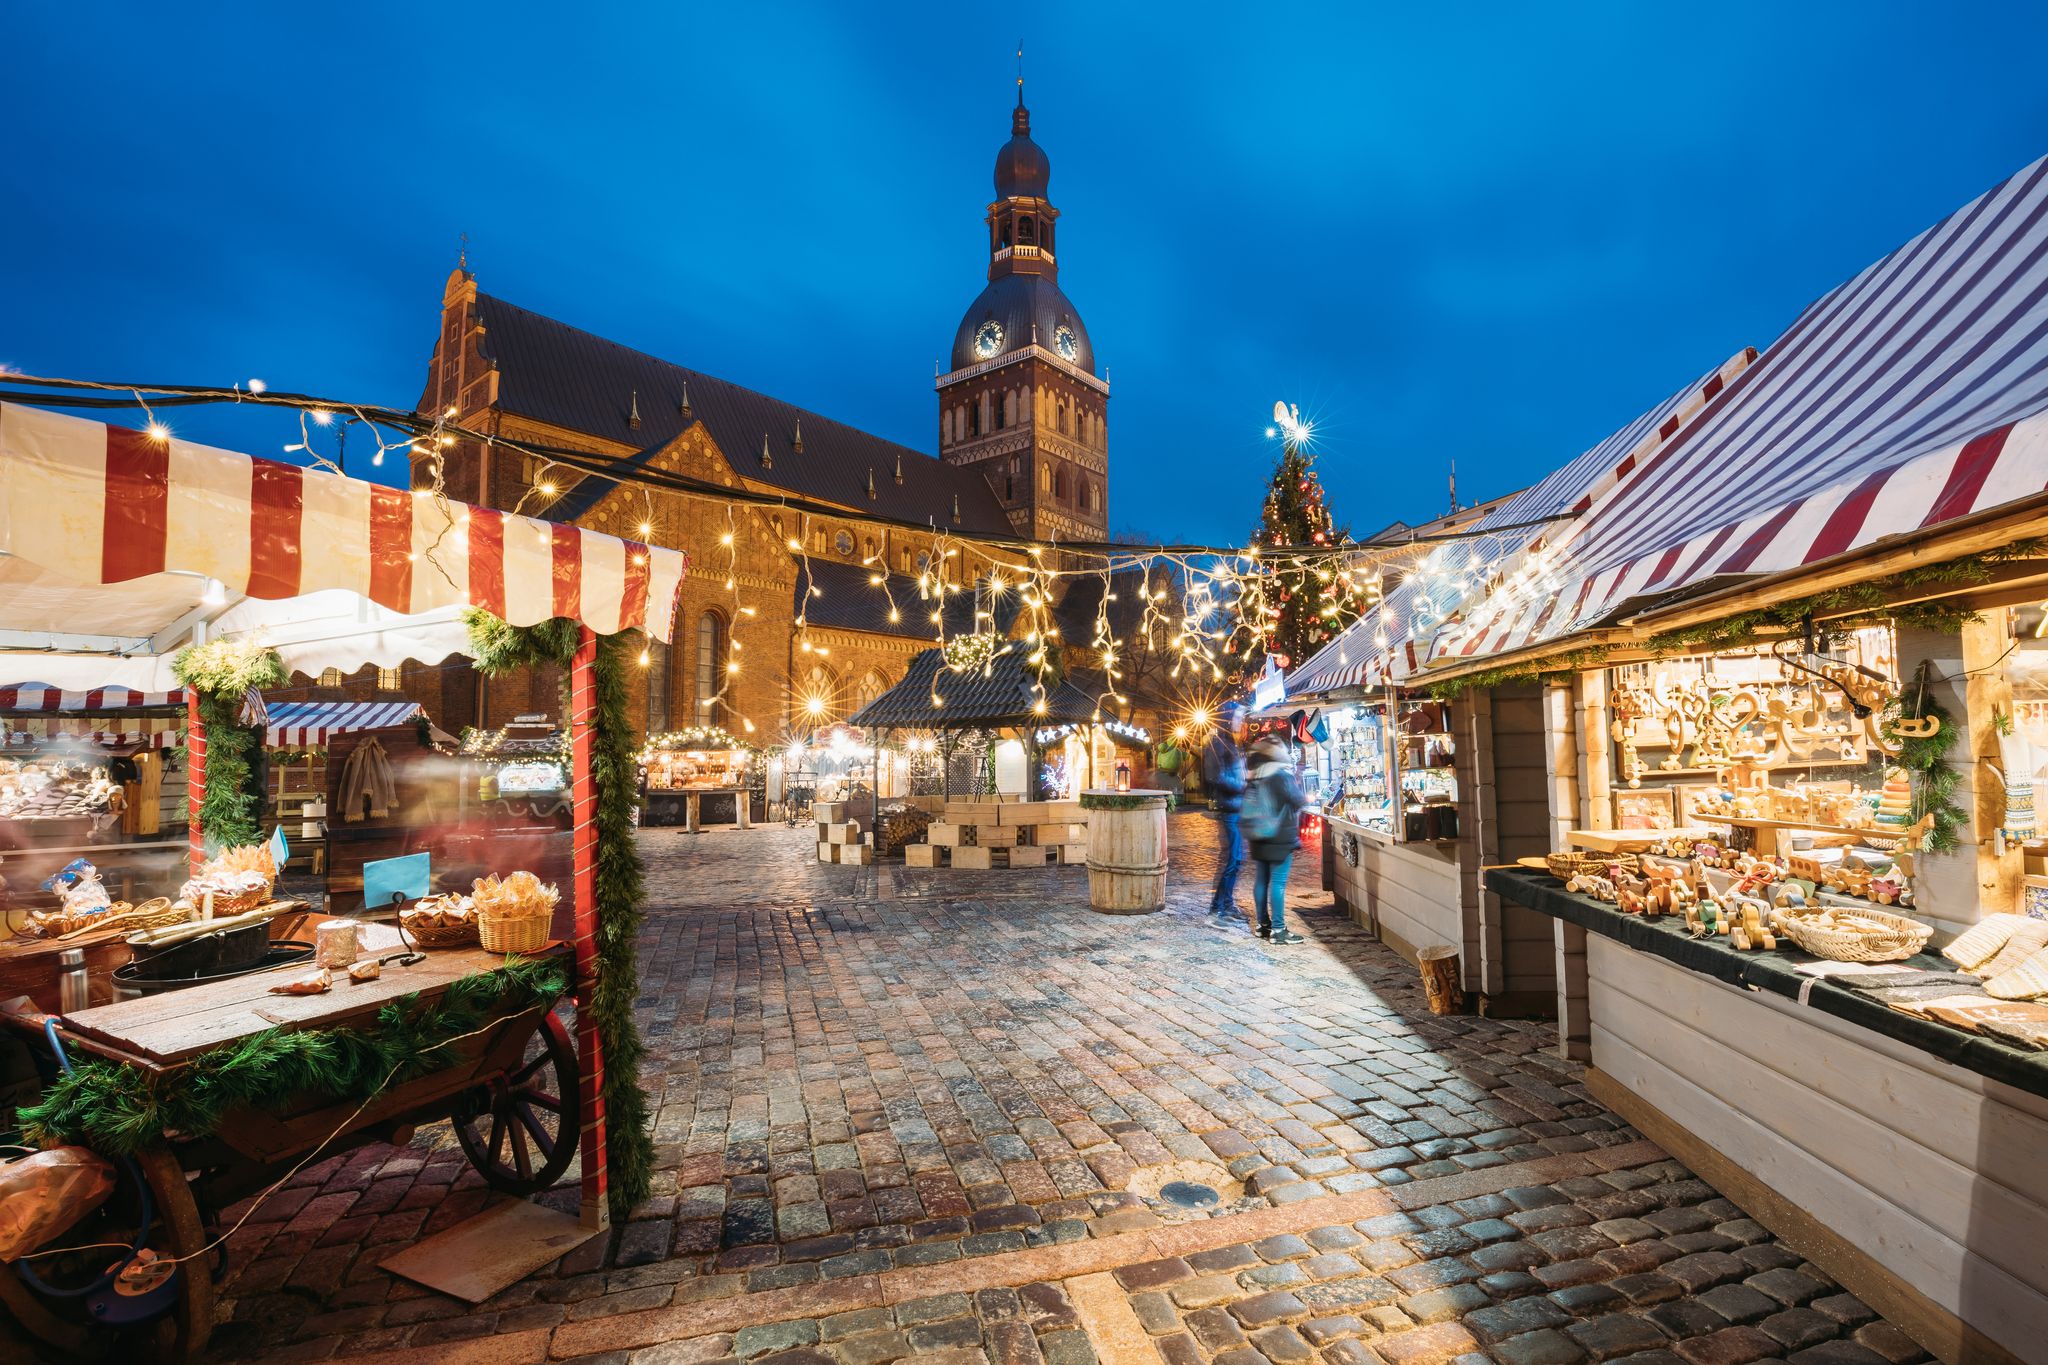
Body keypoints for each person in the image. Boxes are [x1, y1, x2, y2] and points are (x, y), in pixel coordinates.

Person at [1242, 733, 1308, 944]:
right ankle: (1278, 930)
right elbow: (1299, 801)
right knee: (1278, 883)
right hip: (1279, 836)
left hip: (1258, 835)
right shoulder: (1282, 776)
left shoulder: (1255, 775)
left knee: (1261, 880)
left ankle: (1262, 925)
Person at [1201, 704, 1247, 920]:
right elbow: (1215, 777)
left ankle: (1225, 903)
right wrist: (1242, 784)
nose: (1240, 722)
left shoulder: (1231, 744)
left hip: (1236, 807)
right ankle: (1219, 906)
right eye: (1237, 718)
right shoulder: (1217, 745)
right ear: (1228, 720)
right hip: (1229, 808)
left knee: (1235, 859)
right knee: (1232, 859)